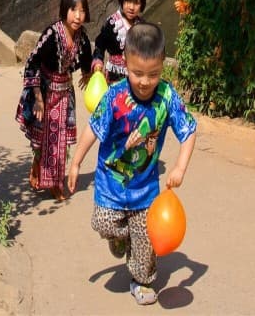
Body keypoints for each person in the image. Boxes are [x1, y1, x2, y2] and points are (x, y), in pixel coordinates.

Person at [67, 22, 197, 306]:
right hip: (110, 182)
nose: (145, 81)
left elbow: (189, 131)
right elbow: (93, 129)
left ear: (163, 66)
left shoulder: (167, 96)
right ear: (125, 63)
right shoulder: (114, 98)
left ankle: (142, 280)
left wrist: (179, 168)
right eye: (137, 73)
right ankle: (122, 239)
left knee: (146, 239)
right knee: (103, 223)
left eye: (153, 74)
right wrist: (76, 162)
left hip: (145, 187)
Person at [16, 0, 94, 200]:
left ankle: (56, 183)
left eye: (82, 10)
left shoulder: (83, 38)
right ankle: (37, 165)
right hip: (46, 90)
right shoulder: (52, 34)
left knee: (61, 140)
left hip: (65, 93)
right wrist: (38, 99)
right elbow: (32, 61)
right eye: (73, 10)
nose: (78, 16)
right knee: (42, 138)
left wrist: (89, 74)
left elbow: (88, 59)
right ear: (64, 9)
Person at [92, 0, 146, 85]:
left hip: (135, 78)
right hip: (114, 78)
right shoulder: (112, 24)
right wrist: (98, 62)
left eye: (136, 3)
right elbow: (100, 44)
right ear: (121, 0)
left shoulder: (142, 26)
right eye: (128, 1)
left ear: (142, 4)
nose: (131, 7)